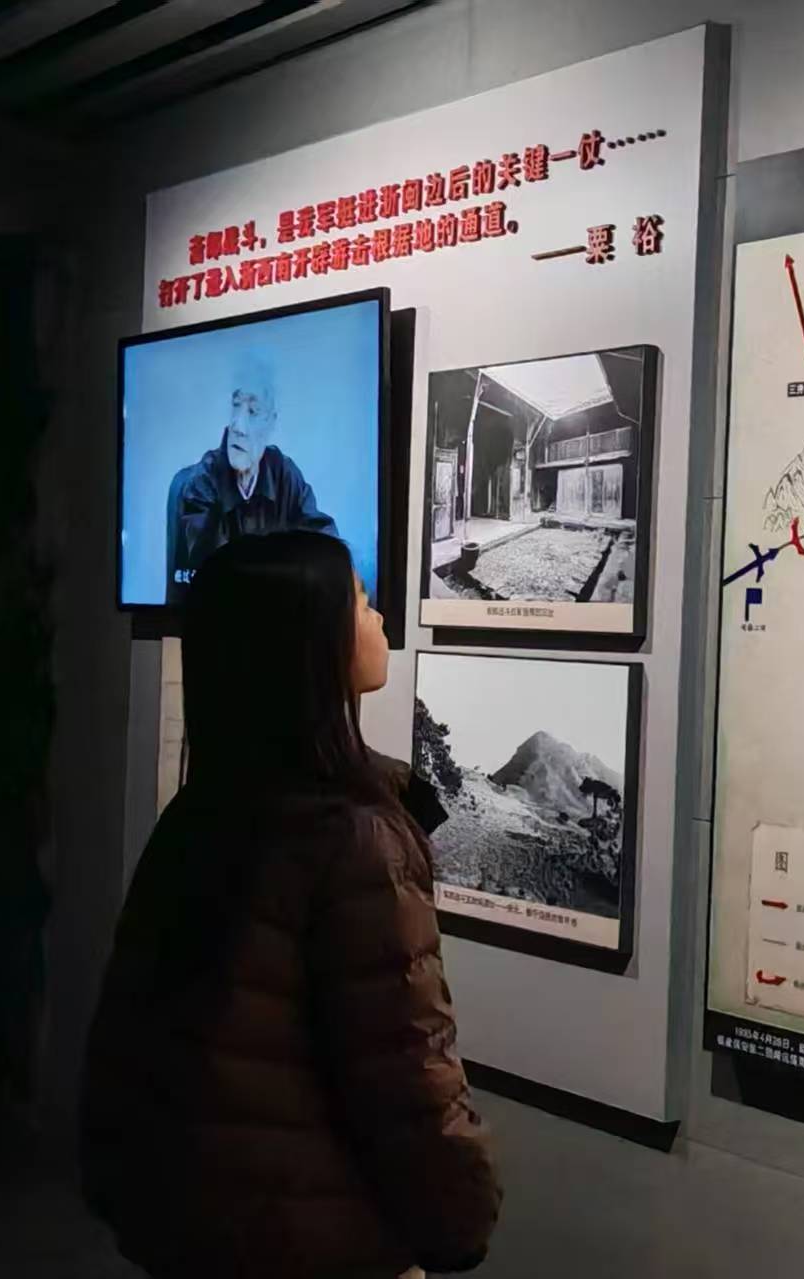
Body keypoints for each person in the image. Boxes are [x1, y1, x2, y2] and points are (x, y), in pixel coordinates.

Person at [81, 530, 499, 1278]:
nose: (378, 619)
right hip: (318, 1242)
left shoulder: (199, 814)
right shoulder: (357, 840)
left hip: (196, 1226)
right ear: (312, 643)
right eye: (362, 602)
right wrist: (459, 1220)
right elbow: (406, 1069)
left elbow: (128, 1037)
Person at [165, 350, 337, 599]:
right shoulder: (198, 484)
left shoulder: (284, 474)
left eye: (253, 411)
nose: (238, 426)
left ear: (271, 423)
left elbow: (327, 545)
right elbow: (215, 573)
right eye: (236, 406)